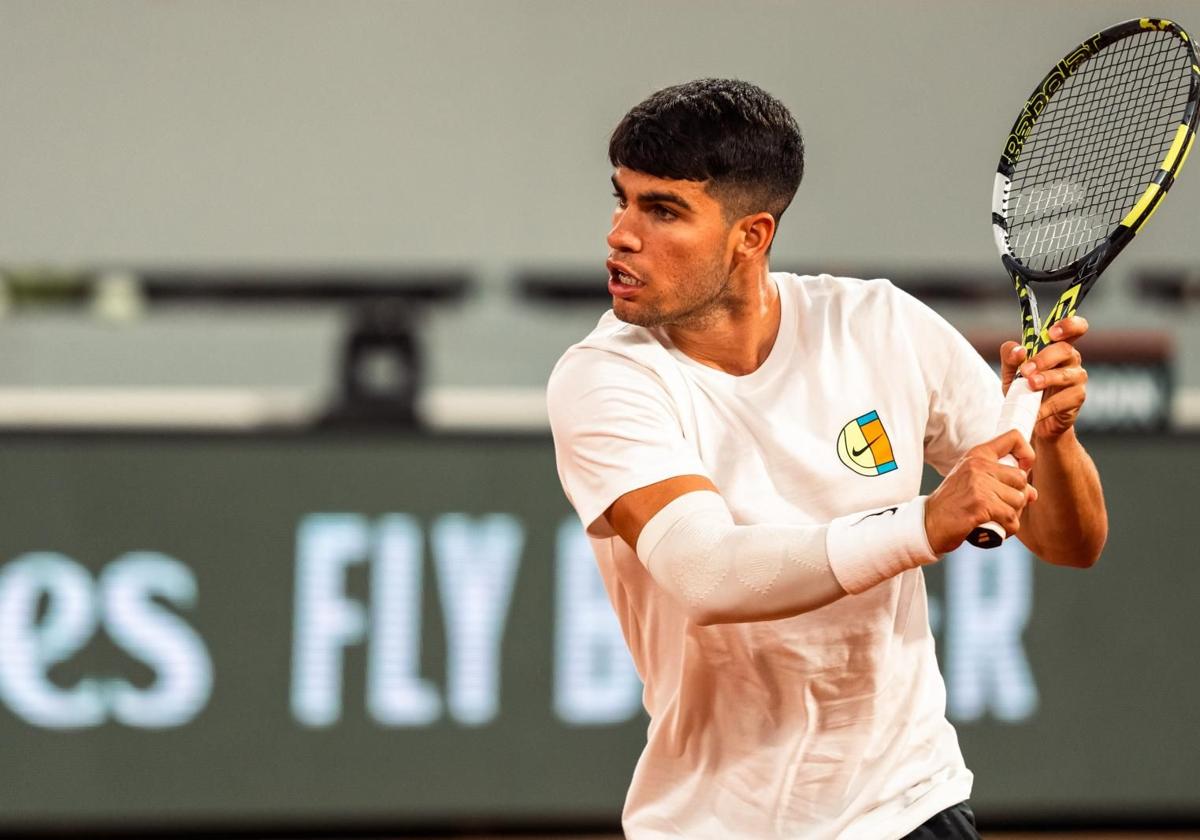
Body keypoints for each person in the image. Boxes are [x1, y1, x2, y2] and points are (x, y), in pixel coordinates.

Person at [546, 78, 1107, 840]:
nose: (620, 233)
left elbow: (1070, 543)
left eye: (663, 210)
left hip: (908, 805)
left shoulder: (883, 326)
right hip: (713, 824)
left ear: (752, 236)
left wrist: (1052, 439)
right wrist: (927, 521)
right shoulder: (604, 378)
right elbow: (705, 572)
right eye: (622, 200)